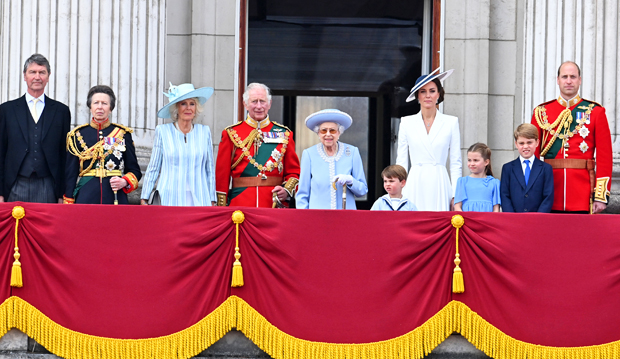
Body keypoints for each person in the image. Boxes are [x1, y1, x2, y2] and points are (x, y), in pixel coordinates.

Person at [531, 61, 612, 214]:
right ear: (558, 80)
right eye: (565, 77)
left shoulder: (595, 112)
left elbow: (604, 156)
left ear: (579, 80)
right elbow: (533, 156)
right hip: (549, 192)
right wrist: (534, 192)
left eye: (573, 77)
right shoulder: (542, 112)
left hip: (583, 194)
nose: (569, 81)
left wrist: (600, 196)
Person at [0, 54, 71, 203]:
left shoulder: (61, 111)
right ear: (25, 76)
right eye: (32, 72)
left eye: (42, 72)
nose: (37, 77)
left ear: (48, 76)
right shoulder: (6, 110)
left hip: (48, 185)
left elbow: (64, 155)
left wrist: (62, 194)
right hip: (14, 184)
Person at [215, 83, 300, 208]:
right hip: (240, 203)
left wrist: (286, 190)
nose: (259, 106)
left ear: (269, 104)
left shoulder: (285, 134)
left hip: (273, 204)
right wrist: (221, 208)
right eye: (254, 101)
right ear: (245, 104)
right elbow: (222, 176)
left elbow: (293, 172)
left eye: (263, 101)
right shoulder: (231, 133)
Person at [396, 68, 462, 211]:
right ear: (417, 96)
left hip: (439, 181)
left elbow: (456, 163)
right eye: (423, 91)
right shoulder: (406, 122)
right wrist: (399, 191)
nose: (428, 96)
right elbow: (401, 162)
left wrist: (455, 195)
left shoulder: (451, 122)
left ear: (438, 94)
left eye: (432, 91)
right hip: (414, 182)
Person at [140, 83, 216, 206]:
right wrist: (145, 197)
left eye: (192, 104)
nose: (188, 108)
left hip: (199, 198)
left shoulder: (204, 132)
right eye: (183, 104)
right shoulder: (163, 131)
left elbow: (209, 169)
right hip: (169, 197)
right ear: (176, 108)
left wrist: (212, 198)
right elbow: (154, 167)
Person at [64, 85, 141, 204]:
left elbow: (135, 170)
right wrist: (68, 200)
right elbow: (70, 174)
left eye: (104, 103)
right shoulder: (77, 135)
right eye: (96, 103)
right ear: (90, 107)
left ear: (111, 108)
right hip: (86, 196)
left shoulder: (122, 134)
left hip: (115, 197)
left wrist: (124, 181)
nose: (100, 107)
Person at [296, 109, 368, 210]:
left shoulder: (352, 152)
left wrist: (351, 181)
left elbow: (362, 191)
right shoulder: (309, 154)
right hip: (318, 217)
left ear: (339, 133)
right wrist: (304, 217)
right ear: (318, 133)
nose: (328, 134)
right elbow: (303, 193)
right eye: (323, 130)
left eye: (333, 130)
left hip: (345, 217)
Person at [500, 124, 554, 213]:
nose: (525, 146)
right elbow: (505, 195)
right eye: (521, 143)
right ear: (516, 144)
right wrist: (511, 217)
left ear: (537, 142)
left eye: (529, 142)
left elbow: (548, 196)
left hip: (537, 220)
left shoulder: (546, 168)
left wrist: (538, 217)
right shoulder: (508, 168)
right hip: (514, 219)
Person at [454, 143, 500, 212]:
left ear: (486, 162)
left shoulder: (494, 183)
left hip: (486, 221)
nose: (471, 163)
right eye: (469, 160)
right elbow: (457, 206)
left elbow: (496, 209)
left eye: (475, 160)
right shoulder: (462, 181)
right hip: (467, 221)